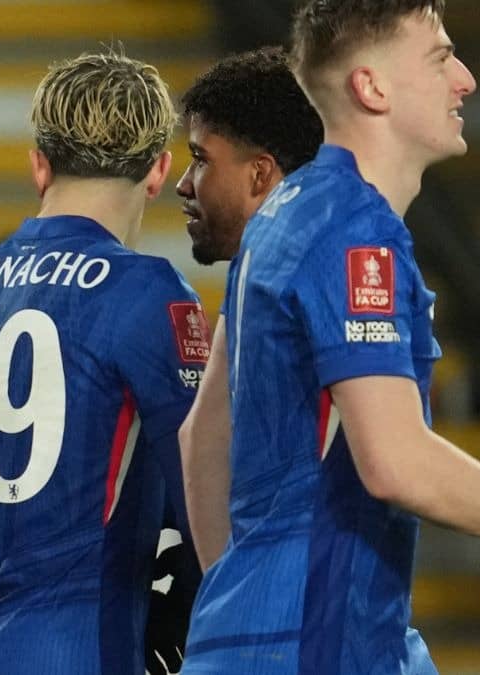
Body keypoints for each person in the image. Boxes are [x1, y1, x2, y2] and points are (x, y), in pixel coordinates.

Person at [176, 3, 480, 673]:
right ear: (371, 88)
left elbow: (202, 435)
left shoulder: (284, 212)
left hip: (272, 633)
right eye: (439, 58)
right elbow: (395, 462)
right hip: (315, 640)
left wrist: (250, 603)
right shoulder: (354, 230)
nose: (464, 78)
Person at [0, 49, 206, 675]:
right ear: (159, 170)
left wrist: (8, 556)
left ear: (38, 165)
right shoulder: (149, 293)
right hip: (87, 647)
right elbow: (207, 500)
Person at [175, 45, 323, 567]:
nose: (183, 184)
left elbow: (201, 437)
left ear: (260, 174)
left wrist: (225, 593)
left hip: (290, 607)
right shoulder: (280, 261)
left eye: (199, 160)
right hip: (315, 602)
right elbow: (201, 437)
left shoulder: (296, 260)